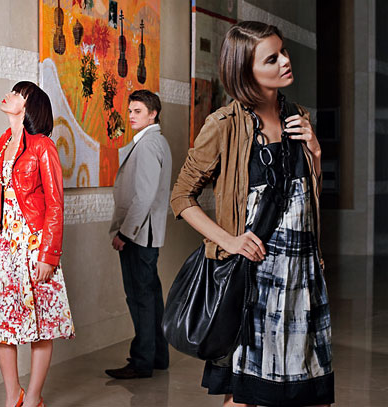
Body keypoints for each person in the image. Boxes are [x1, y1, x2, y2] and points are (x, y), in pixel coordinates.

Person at [170, 21, 334, 407]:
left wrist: (316, 153)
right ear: (245, 71)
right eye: (272, 58)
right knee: (248, 397)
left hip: (304, 275)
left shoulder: (298, 116)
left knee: (315, 392)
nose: (286, 62)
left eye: (284, 52)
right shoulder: (224, 125)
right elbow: (181, 196)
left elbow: (307, 197)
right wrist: (229, 240)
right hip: (255, 280)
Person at [0, 81, 74, 407]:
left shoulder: (43, 147)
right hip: (6, 249)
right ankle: (12, 394)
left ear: (29, 106)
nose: (10, 95)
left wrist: (49, 254)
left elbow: (56, 205)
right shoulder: (3, 145)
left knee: (40, 326)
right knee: (1, 325)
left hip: (34, 247)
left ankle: (32, 397)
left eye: (18, 94)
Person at [105, 90, 172, 379]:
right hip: (148, 235)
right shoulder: (158, 141)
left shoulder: (147, 145)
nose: (131, 116)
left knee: (140, 297)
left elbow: (143, 196)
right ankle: (157, 356)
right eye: (130, 110)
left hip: (139, 236)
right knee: (151, 297)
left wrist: (125, 233)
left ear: (153, 113)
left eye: (138, 111)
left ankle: (142, 361)